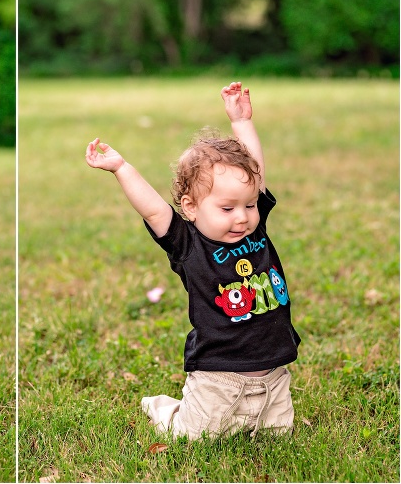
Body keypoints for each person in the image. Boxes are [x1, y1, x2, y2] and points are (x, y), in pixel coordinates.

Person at [85, 82, 300, 440]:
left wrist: (242, 121)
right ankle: (166, 410)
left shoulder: (255, 231)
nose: (243, 217)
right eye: (227, 208)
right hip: (218, 376)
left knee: (278, 437)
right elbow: (154, 210)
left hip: (274, 373)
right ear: (191, 207)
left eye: (248, 206)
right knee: (193, 438)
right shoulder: (188, 244)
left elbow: (255, 175)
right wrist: (120, 167)